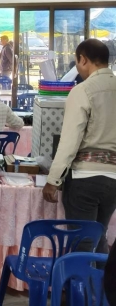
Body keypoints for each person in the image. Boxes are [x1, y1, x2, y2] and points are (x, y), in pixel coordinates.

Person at [42, 39, 116, 254]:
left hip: (85, 178)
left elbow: (70, 140)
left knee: (81, 242)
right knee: (99, 236)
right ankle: (100, 277)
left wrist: (53, 180)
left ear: (83, 59)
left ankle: (80, 278)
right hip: (113, 179)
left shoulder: (82, 90)